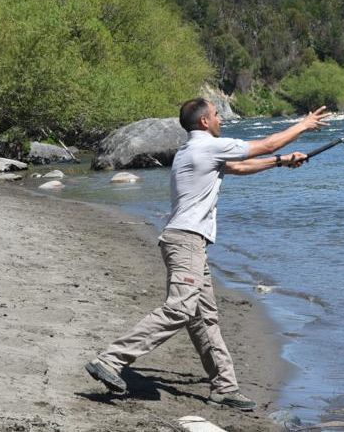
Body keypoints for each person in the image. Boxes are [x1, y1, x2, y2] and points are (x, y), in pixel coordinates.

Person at [85, 98, 330, 411]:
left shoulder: (196, 150)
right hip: (185, 242)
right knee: (180, 309)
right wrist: (303, 125)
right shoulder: (206, 146)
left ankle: (224, 387)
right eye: (216, 115)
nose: (220, 119)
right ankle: (111, 359)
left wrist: (282, 161)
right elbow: (265, 144)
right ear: (204, 122)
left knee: (204, 318)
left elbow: (241, 166)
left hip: (189, 242)